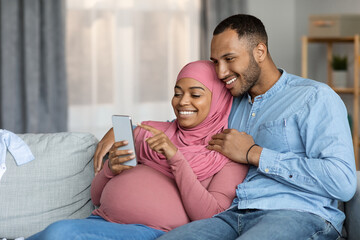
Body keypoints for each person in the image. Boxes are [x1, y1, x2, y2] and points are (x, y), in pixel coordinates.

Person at [154, 14, 358, 240]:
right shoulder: (230, 103)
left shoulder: (314, 97)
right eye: (215, 62)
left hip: (297, 213)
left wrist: (254, 154)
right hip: (233, 214)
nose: (220, 72)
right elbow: (183, 128)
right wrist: (129, 132)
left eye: (229, 58)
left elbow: (343, 182)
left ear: (259, 52)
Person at [26, 60, 248, 240]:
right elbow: (95, 196)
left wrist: (176, 159)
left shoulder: (227, 154)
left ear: (218, 100)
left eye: (195, 94)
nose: (182, 102)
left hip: (152, 231)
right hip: (101, 221)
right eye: (178, 93)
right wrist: (110, 170)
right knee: (53, 233)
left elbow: (210, 216)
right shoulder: (148, 132)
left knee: (60, 233)